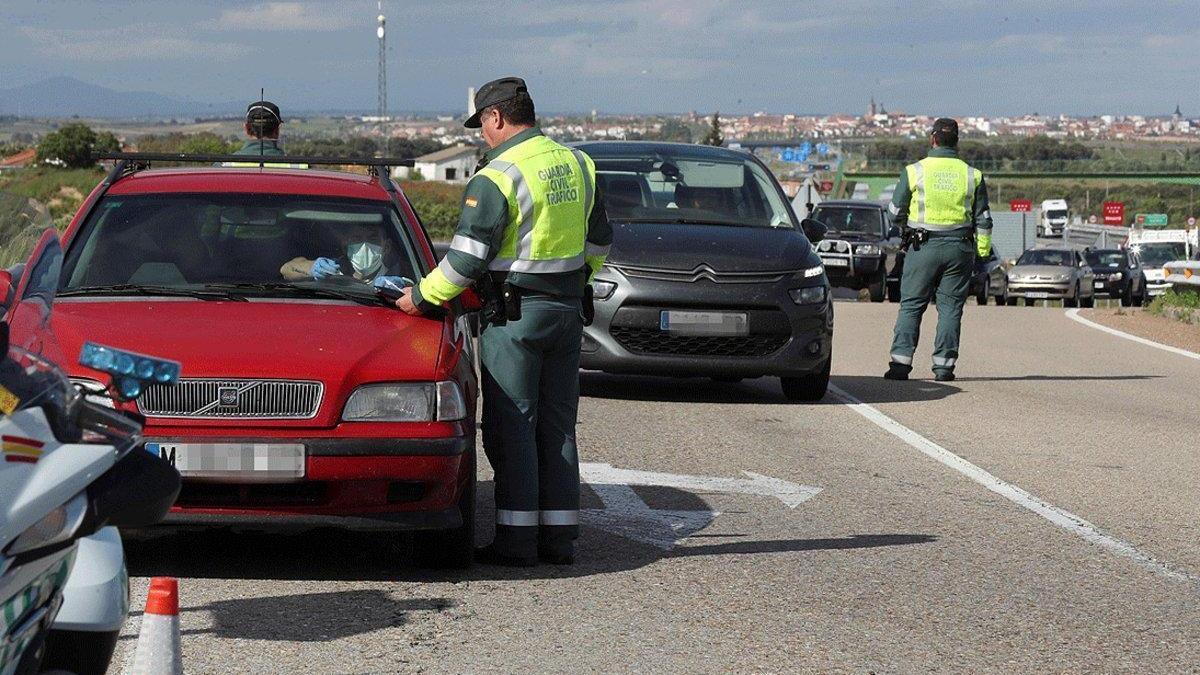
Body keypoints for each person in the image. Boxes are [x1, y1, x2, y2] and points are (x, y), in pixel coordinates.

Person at [396, 77, 612, 567]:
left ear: (496, 117)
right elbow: (600, 241)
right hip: (566, 312)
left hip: (514, 317)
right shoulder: (579, 164)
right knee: (558, 427)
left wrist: (421, 297)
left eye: (482, 126)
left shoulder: (498, 176)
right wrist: (576, 281)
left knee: (512, 425)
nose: (482, 137)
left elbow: (466, 261)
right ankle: (559, 541)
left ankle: (517, 543)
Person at [885, 118, 993, 382]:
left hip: (923, 246)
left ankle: (900, 365)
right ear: (956, 142)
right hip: (959, 248)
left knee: (911, 305)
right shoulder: (972, 174)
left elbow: (895, 212)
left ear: (932, 139)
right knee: (951, 308)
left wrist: (904, 227)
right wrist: (982, 252)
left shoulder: (915, 171)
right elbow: (984, 219)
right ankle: (944, 367)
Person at [279, 219, 409, 289]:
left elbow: (420, 288)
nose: (364, 245)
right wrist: (312, 267)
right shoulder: (332, 268)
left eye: (372, 239)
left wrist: (404, 287)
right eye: (357, 239)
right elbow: (286, 269)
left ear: (386, 247)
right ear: (345, 246)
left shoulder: (399, 271)